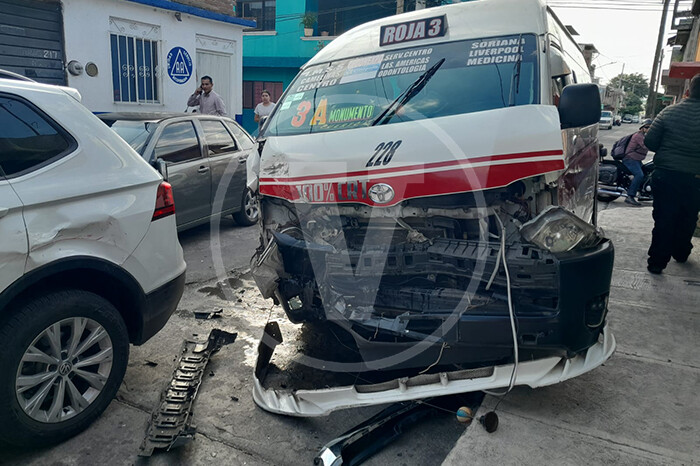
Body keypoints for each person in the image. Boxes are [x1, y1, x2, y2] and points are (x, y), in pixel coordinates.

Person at [643, 73, 700, 274]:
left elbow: (650, 142)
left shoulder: (669, 112)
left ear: (687, 91)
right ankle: (681, 252)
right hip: (696, 180)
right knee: (689, 216)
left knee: (664, 218)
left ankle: (657, 262)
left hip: (666, 175)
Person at [621, 118, 652, 206]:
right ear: (643, 128)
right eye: (647, 127)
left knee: (646, 173)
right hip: (630, 159)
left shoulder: (643, 136)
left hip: (636, 159)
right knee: (639, 175)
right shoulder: (639, 136)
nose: (648, 129)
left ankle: (642, 192)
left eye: (650, 127)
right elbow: (647, 146)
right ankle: (630, 196)